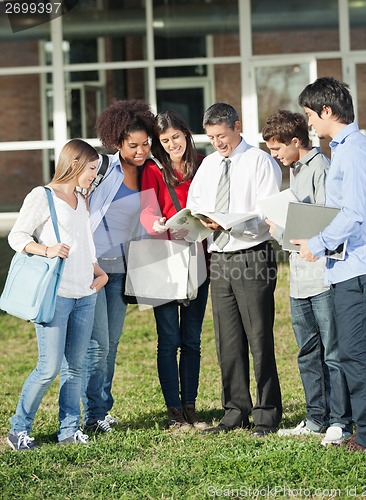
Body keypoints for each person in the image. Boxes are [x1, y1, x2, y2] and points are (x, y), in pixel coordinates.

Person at [294, 77, 366, 452]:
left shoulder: (352, 152)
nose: (309, 123)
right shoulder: (347, 150)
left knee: (357, 352)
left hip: (360, 268)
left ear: (327, 111)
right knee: (355, 351)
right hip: (348, 268)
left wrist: (317, 244)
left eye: (310, 115)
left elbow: (352, 213)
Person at [187, 102, 283, 437]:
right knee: (227, 340)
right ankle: (235, 410)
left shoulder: (260, 161)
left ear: (237, 126)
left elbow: (266, 212)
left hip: (252, 255)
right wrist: (200, 219)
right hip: (220, 259)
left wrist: (230, 224)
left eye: (221, 135)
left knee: (258, 337)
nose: (217, 142)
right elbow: (195, 202)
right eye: (211, 137)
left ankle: (267, 413)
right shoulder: (209, 165)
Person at [7, 139, 108, 450]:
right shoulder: (42, 196)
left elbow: (84, 242)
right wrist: (47, 249)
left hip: (85, 293)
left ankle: (68, 430)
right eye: (92, 169)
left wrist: (98, 270)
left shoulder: (81, 197)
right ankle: (18, 430)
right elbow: (16, 236)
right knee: (48, 367)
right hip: (57, 294)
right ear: (75, 164)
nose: (94, 175)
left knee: (76, 367)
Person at [261, 109, 352, 444]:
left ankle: (340, 421)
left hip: (323, 277)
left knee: (332, 351)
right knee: (307, 351)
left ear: (295, 141)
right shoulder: (296, 169)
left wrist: (284, 227)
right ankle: (316, 418)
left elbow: (328, 222)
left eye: (276, 149)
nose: (274, 156)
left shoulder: (322, 169)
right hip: (299, 277)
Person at [82, 100, 156, 433]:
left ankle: (101, 409)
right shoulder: (101, 168)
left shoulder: (149, 172)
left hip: (124, 268)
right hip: (93, 268)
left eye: (145, 144)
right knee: (97, 344)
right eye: (133, 146)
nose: (141, 151)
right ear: (117, 143)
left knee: (111, 343)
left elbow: (148, 217)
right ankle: (93, 415)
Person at [139, 110, 209, 430]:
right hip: (163, 258)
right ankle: (174, 411)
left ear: (186, 133)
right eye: (165, 141)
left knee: (191, 340)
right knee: (169, 340)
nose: (171, 145)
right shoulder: (153, 171)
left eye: (176, 138)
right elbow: (147, 212)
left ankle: (191, 406)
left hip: (198, 258)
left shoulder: (204, 164)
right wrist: (158, 226)